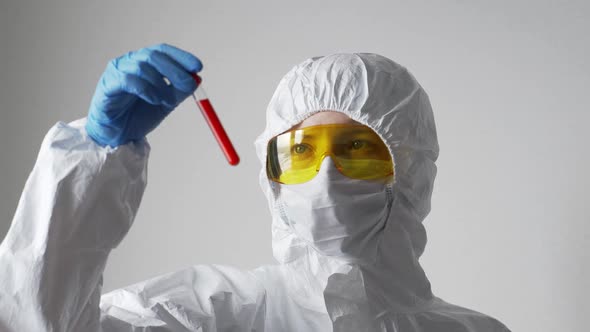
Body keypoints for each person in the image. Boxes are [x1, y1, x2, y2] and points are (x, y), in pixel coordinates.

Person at [0, 43, 511, 331]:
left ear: (411, 170)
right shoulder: (215, 311)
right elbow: (39, 322)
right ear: (273, 177)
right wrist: (96, 156)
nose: (326, 175)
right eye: (302, 151)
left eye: (355, 148)